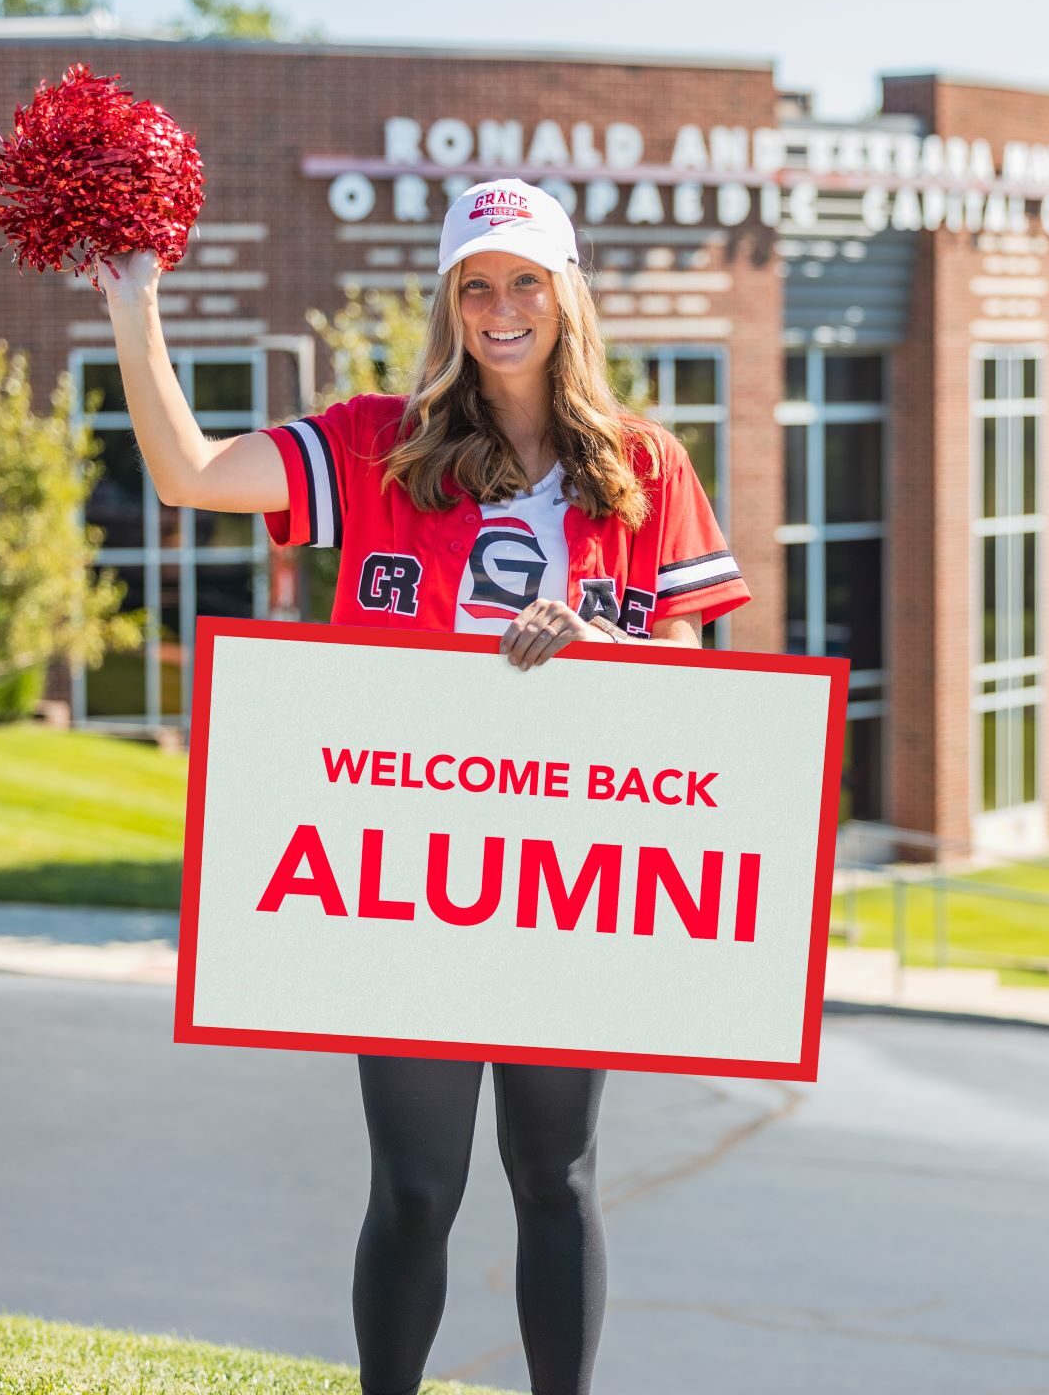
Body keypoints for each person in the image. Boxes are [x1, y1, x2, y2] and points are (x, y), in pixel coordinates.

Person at [95, 177, 749, 1395]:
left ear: (567, 300)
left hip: (572, 876)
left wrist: (608, 651)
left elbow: (695, 696)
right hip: (413, 871)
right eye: (477, 286)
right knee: (415, 1187)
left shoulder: (650, 471)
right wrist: (136, 303)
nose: (502, 309)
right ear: (452, 305)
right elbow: (186, 472)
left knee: (555, 1179)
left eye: (525, 283)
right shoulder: (374, 446)